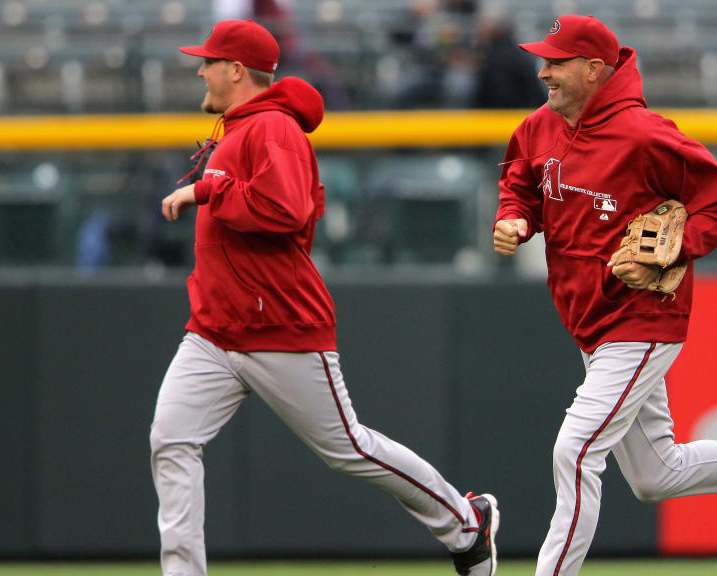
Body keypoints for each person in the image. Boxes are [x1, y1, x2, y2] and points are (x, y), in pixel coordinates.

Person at [492, 15, 717, 576]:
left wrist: (677, 250)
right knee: (657, 474)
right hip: (589, 319)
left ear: (593, 70)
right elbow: (520, 178)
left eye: (557, 63)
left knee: (576, 451)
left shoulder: (646, 134)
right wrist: (515, 217)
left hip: (641, 320)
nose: (543, 73)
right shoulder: (541, 127)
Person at [150, 20, 497, 576]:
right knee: (170, 440)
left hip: (279, 327)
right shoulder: (236, 129)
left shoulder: (273, 129)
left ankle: (465, 521)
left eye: (208, 61)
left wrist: (207, 188)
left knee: (350, 449)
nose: (199, 70)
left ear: (237, 70)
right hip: (215, 331)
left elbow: (285, 210)